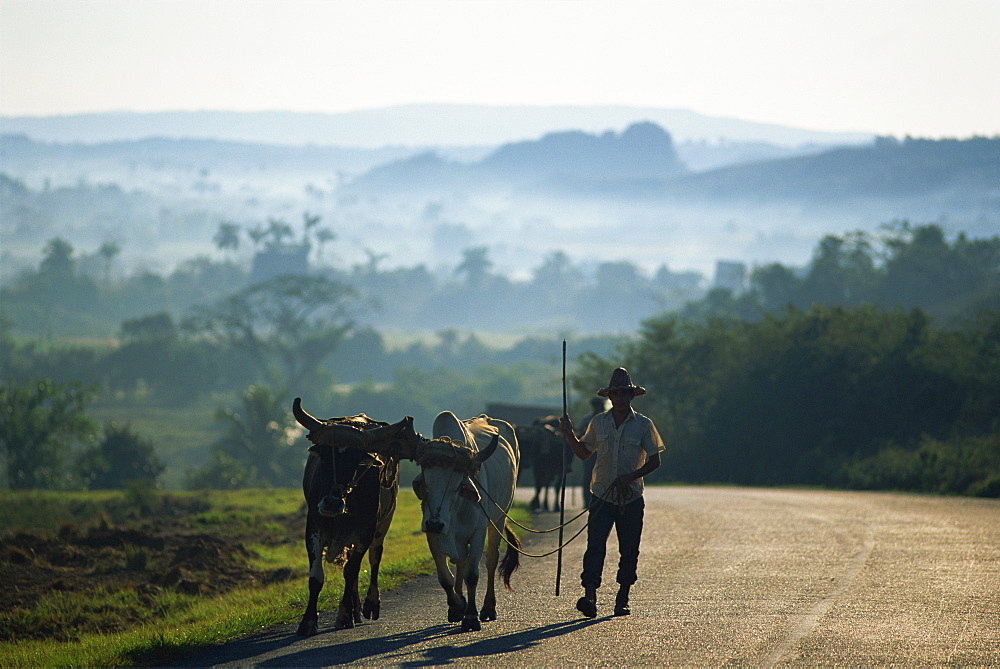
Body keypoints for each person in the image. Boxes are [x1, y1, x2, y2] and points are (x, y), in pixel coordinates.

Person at [559, 367, 663, 618]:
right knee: (595, 546)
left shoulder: (644, 425)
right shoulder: (599, 422)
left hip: (632, 497)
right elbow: (584, 453)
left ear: (632, 396)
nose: (619, 398)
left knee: (629, 549)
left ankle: (623, 597)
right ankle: (590, 595)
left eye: (624, 393)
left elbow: (655, 461)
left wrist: (630, 477)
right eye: (615, 394)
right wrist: (568, 434)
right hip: (601, 495)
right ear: (610, 396)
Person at [578, 396, 609, 508]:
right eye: (596, 406)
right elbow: (580, 435)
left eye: (600, 405)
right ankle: (587, 501)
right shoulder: (587, 419)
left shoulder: (609, 418)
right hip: (590, 451)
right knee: (588, 476)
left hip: (605, 452)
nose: (598, 408)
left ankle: (605, 501)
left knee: (606, 476)